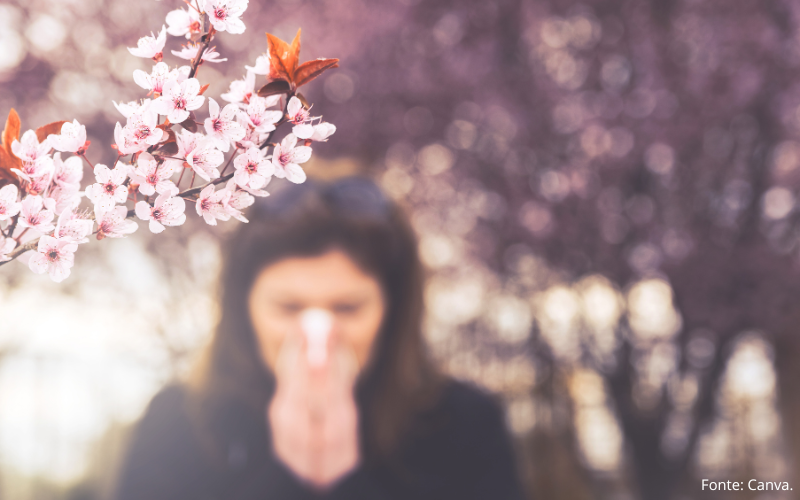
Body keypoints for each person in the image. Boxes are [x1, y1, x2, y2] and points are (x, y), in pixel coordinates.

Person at [112, 177, 525, 500]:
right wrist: (287, 479)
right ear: (244, 309)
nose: (318, 333)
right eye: (288, 308)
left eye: (347, 308)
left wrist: (344, 482)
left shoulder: (465, 425)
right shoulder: (179, 425)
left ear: (392, 311)